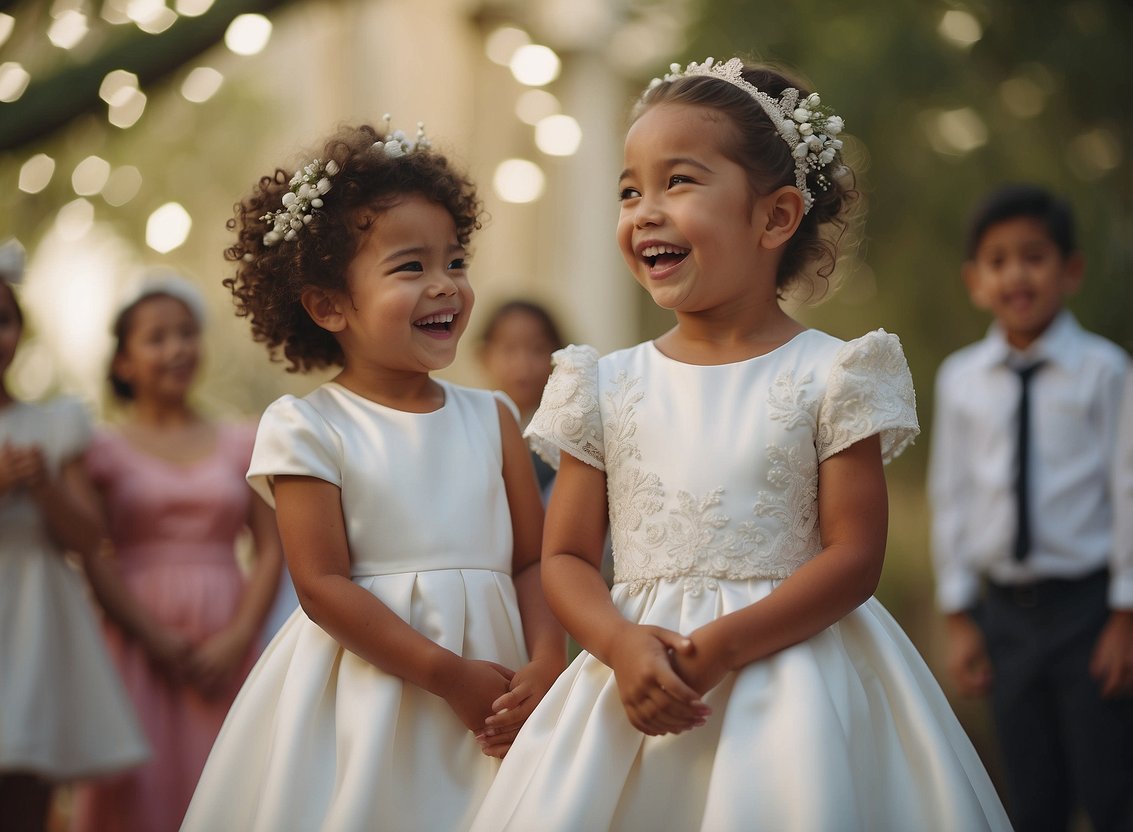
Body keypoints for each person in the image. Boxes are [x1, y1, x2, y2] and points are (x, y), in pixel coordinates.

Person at [471, 57, 1011, 831]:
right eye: (629, 190)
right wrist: (618, 645)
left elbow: (853, 556)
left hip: (794, 682)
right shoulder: (602, 383)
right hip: (634, 676)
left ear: (775, 217)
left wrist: (721, 646)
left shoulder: (834, 373)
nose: (645, 211)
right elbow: (563, 557)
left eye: (679, 182)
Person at [180, 119, 568, 832]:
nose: (445, 286)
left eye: (455, 261)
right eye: (410, 267)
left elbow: (532, 559)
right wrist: (447, 675)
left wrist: (546, 660)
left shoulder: (494, 418)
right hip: (375, 691)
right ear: (330, 305)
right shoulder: (307, 428)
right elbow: (322, 586)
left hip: (503, 685)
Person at [0, 240, 147, 832]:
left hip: (34, 622)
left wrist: (46, 488)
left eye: (2, 320)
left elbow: (89, 535)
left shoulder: (53, 426)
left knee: (26, 787)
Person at [928, 184, 1133, 832]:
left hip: (1088, 612)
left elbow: (1127, 489)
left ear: (1068, 270)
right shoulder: (959, 380)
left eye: (1033, 256)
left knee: (1109, 788)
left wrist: (1125, 614)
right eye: (996, 260)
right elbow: (951, 494)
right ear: (974, 281)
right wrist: (958, 612)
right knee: (1028, 793)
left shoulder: (1103, 371)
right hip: (1005, 617)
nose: (1015, 274)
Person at [71, 275, 284, 832]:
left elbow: (271, 548)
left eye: (187, 334)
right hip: (136, 636)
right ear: (123, 362)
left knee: (228, 777)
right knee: (140, 791)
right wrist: (154, 636)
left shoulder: (243, 438)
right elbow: (91, 551)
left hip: (227, 628)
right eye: (157, 337)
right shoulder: (98, 449)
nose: (177, 348)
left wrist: (238, 638)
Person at [478, 299, 565, 495]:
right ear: (483, 356)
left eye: (537, 349)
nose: (522, 365)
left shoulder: (568, 435)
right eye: (509, 349)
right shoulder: (474, 428)